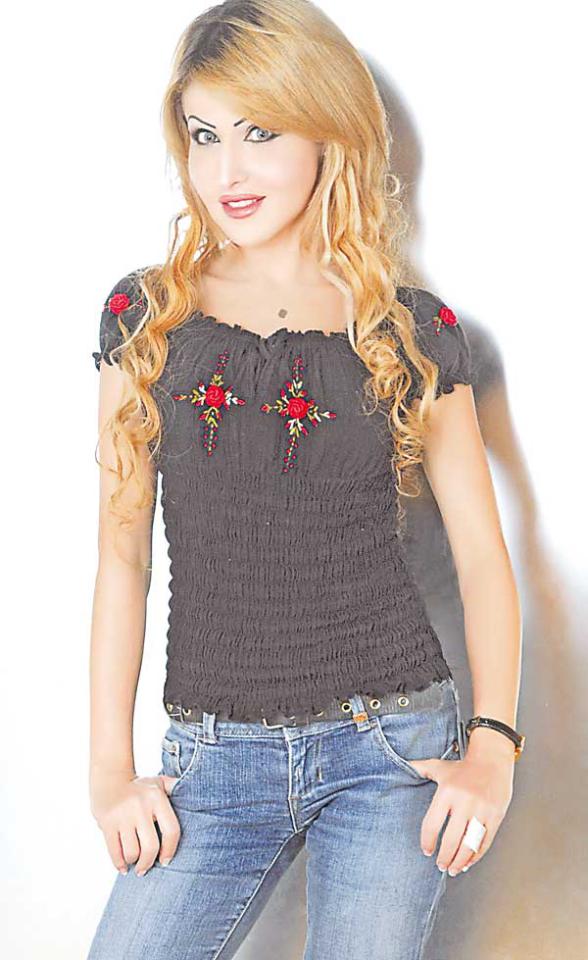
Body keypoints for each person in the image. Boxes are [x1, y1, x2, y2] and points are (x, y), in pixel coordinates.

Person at [87, 2, 524, 958]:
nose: (226, 172)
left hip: (392, 750)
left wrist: (493, 744)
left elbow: (486, 556)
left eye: (260, 133)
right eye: (204, 135)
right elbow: (122, 559)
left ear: (328, 131)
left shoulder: (409, 330)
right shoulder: (147, 318)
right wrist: (110, 774)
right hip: (210, 761)